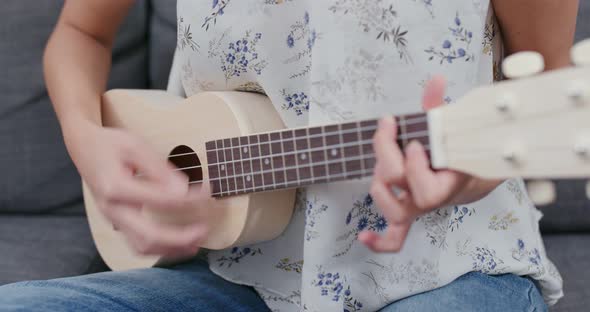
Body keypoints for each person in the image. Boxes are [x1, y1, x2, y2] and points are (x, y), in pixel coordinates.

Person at [0, 0, 579, 311]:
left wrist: (463, 177)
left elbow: (534, 101)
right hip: (236, 277)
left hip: (445, 274)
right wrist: (88, 142)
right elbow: (81, 32)